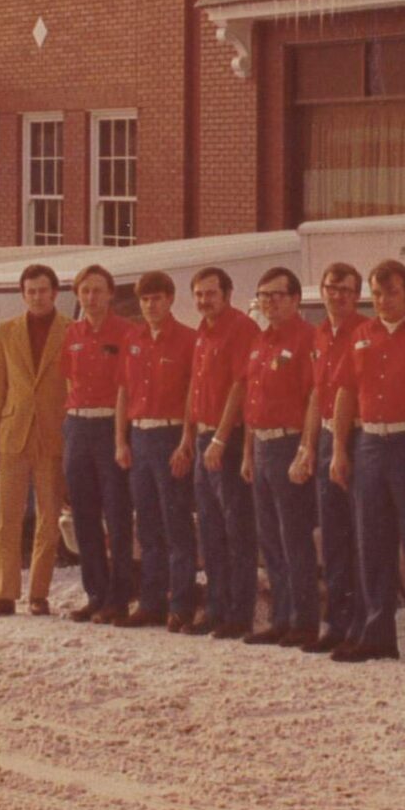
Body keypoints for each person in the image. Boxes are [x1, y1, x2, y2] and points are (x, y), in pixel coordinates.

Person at [331, 258, 405, 666]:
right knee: (371, 543)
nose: (383, 301)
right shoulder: (361, 335)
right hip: (370, 444)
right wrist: (338, 450)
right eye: (377, 293)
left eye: (392, 293)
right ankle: (378, 634)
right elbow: (346, 392)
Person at [239, 266, 324, 647]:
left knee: (295, 539)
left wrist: (305, 449)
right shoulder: (259, 342)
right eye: (264, 296)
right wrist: (247, 453)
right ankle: (280, 617)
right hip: (261, 446)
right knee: (269, 538)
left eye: (277, 295)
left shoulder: (308, 339)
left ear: (295, 299)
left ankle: (303, 621)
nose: (270, 303)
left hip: (290, 445)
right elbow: (250, 402)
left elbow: (313, 399)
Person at [0, 263, 70, 619]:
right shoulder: (6, 331)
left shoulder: (70, 330)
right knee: (8, 517)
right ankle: (4, 594)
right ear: (22, 295)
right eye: (30, 291)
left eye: (43, 290)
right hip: (13, 434)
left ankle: (39, 593)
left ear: (54, 293)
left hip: (52, 435)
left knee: (49, 519)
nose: (37, 297)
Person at [180, 266, 261, 640]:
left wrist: (221, 440)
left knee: (236, 529)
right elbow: (196, 388)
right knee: (210, 530)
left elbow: (240, 386)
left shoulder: (241, 329)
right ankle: (215, 607)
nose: (203, 301)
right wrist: (188, 438)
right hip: (202, 438)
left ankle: (239, 613)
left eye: (210, 294)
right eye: (198, 294)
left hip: (225, 442)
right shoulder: (202, 332)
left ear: (227, 294)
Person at [118, 269, 199, 630]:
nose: (151, 305)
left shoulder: (187, 340)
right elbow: (123, 391)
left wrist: (186, 442)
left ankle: (181, 604)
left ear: (170, 300)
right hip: (140, 437)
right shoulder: (133, 339)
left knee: (176, 524)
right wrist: (120, 440)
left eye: (157, 299)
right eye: (145, 300)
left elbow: (192, 395)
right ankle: (151, 602)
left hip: (170, 438)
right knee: (147, 526)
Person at [61, 265, 141, 624]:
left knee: (117, 514)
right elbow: (66, 380)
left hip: (111, 425)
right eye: (85, 291)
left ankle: (119, 596)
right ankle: (95, 593)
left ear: (111, 294)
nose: (91, 298)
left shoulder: (126, 332)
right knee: (83, 514)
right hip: (78, 426)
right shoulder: (71, 333)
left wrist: (122, 434)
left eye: (98, 291)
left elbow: (131, 385)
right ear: (78, 295)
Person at [305, 260, 367, 653]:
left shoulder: (364, 333)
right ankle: (336, 622)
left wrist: (341, 446)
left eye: (346, 289)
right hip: (328, 434)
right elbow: (316, 394)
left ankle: (360, 625)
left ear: (356, 295)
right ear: (322, 290)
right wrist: (307, 446)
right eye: (332, 287)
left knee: (359, 535)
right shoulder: (320, 335)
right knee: (332, 537)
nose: (338, 295)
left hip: (360, 436)